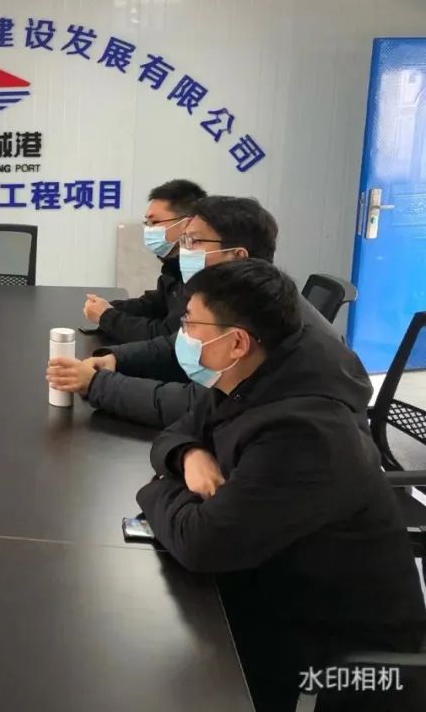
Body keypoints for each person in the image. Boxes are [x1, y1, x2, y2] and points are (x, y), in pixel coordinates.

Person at [136, 259, 425, 712]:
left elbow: (201, 543)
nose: (183, 334)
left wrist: (157, 486)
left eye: (191, 324)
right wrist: (189, 456)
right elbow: (176, 434)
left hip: (337, 659)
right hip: (272, 582)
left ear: (236, 342)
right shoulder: (251, 376)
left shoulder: (304, 433)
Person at [49, 196, 286, 428]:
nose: (185, 251)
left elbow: (194, 405)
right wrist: (116, 359)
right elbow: (176, 345)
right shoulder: (230, 298)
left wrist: (96, 384)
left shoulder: (261, 322)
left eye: (194, 241)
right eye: (184, 240)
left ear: (238, 256)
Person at [82, 179, 206, 342]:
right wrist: (109, 307)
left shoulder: (202, 272)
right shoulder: (175, 265)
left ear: (187, 224)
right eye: (146, 223)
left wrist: (108, 317)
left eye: (154, 222)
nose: (148, 229)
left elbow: (168, 337)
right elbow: (155, 305)